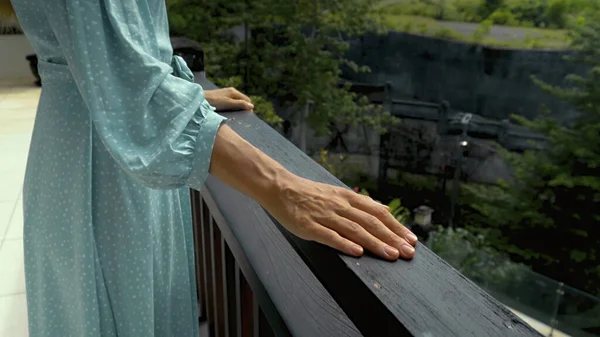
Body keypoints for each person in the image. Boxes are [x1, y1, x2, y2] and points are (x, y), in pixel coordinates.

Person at [1, 0, 418, 336]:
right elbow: (124, 83)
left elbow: (124, 60)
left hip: (98, 151)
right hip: (103, 168)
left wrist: (182, 94)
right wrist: (282, 186)